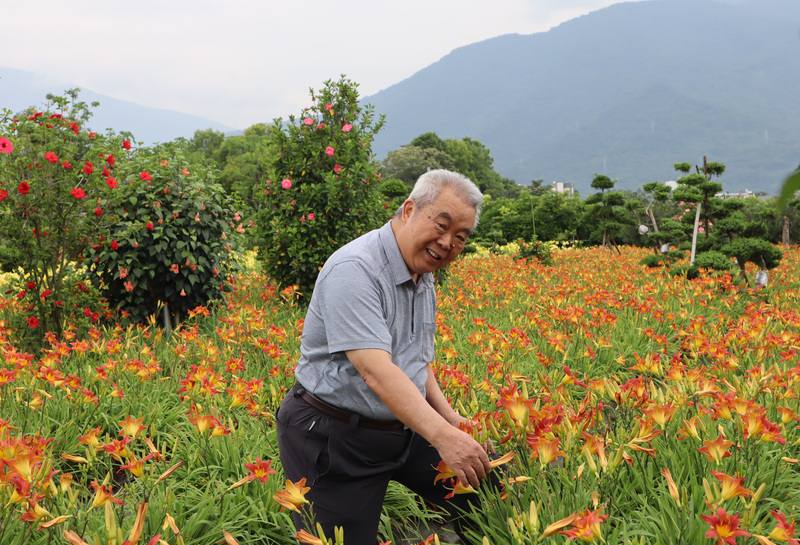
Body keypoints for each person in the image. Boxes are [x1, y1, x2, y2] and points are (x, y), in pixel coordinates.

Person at [277, 169, 491, 544]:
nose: (447, 243)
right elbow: (375, 371)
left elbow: (414, 362)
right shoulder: (355, 269)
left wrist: (451, 419)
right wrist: (442, 435)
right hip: (333, 435)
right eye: (441, 225)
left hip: (400, 428)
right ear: (409, 209)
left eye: (461, 237)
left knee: (487, 493)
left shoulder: (422, 273)